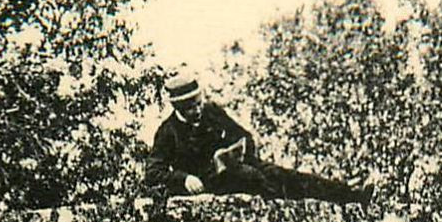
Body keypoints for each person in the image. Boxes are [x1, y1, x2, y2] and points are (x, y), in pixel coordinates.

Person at [144, 71, 373, 204]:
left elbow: (243, 135)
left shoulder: (211, 111)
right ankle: (283, 213)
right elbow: (153, 173)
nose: (197, 110)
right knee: (256, 178)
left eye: (198, 103)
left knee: (283, 174)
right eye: (191, 108)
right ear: (179, 108)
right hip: (210, 182)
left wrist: (241, 150)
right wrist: (184, 179)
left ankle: (349, 194)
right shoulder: (168, 132)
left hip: (235, 166)